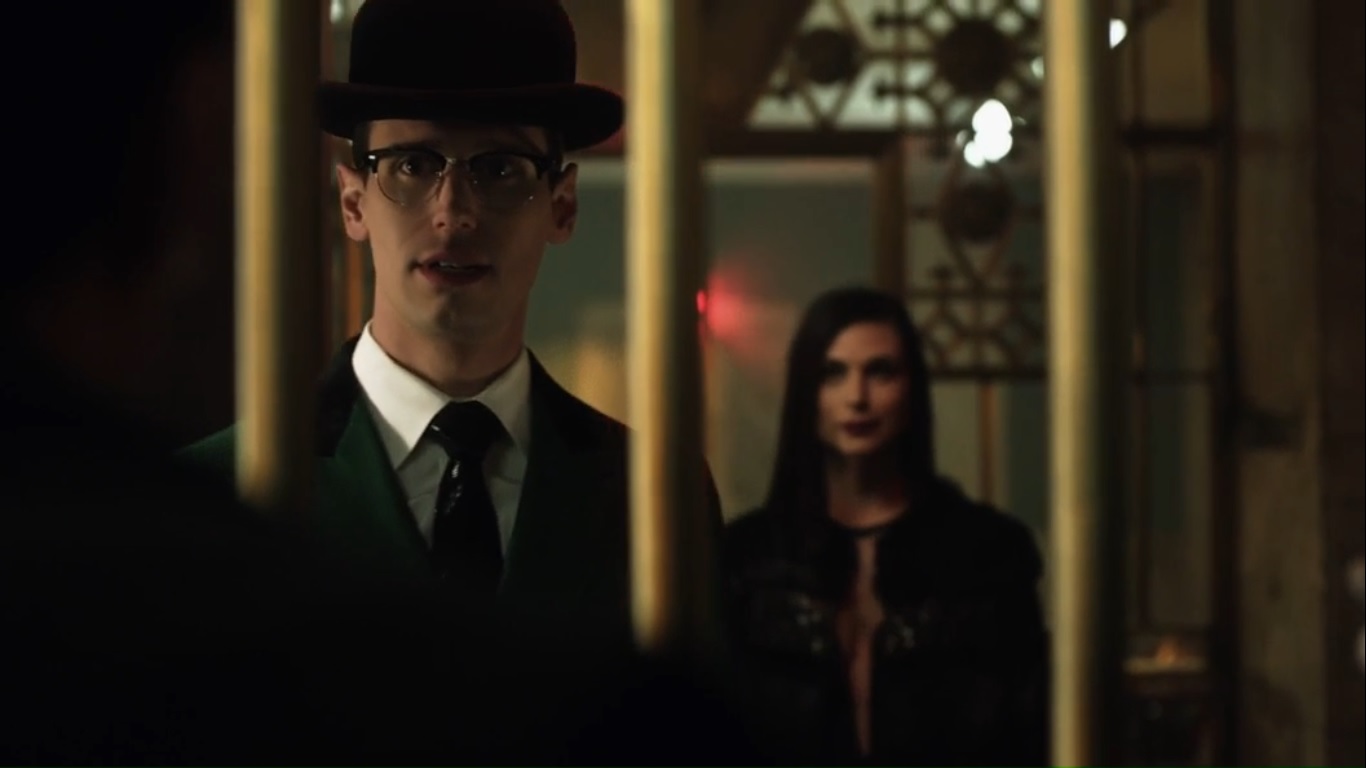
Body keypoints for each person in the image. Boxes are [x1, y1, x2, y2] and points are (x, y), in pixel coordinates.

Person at [180, 0, 723, 660]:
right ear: (353, 201)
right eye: (411, 165)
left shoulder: (651, 492)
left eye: (499, 169)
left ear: (562, 205)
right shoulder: (217, 490)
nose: (453, 214)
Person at [722, 286, 1049, 765]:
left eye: (880, 371)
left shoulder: (988, 553)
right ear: (806, 393)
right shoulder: (750, 559)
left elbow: (1030, 729)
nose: (857, 397)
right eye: (833, 373)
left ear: (912, 388)